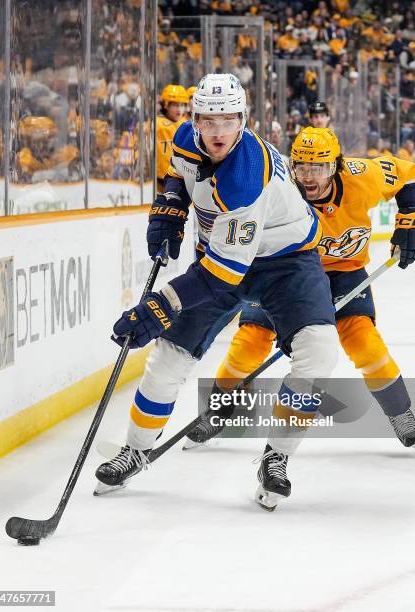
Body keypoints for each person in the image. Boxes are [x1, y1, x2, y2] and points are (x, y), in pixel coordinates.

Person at [95, 74, 340, 510]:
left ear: (243, 120)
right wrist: (171, 206)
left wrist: (159, 306)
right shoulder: (186, 138)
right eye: (209, 119)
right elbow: (179, 174)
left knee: (319, 352)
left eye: (228, 119)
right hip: (220, 258)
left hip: (285, 263)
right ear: (195, 119)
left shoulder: (246, 177)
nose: (218, 130)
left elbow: (224, 275)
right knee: (170, 354)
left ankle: (276, 457)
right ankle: (135, 448)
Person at [187, 127, 415, 457]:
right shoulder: (276, 183)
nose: (309, 177)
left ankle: (400, 412)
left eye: (319, 168)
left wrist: (412, 219)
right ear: (292, 166)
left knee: (364, 343)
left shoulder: (363, 177)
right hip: (283, 272)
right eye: (302, 167)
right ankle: (218, 410)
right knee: (249, 344)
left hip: (344, 274)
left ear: (337, 166)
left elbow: (409, 174)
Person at [156, 84, 188, 192]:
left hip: (181, 179)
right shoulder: (156, 124)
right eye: (175, 105)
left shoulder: (186, 124)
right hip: (159, 179)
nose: (179, 109)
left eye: (182, 105)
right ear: (166, 105)